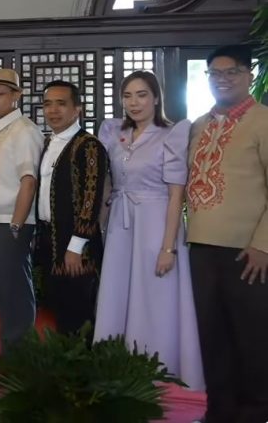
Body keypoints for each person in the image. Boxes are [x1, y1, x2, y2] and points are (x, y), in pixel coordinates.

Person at [93, 71, 202, 390]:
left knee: (155, 296)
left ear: (156, 97)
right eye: (128, 96)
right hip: (120, 224)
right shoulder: (114, 132)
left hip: (157, 223)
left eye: (142, 95)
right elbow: (107, 183)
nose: (134, 102)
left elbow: (176, 195)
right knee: (118, 293)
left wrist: (168, 247)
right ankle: (119, 366)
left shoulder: (172, 134)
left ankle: (159, 368)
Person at [186, 45, 268, 423]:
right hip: (201, 248)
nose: (222, 79)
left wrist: (263, 245)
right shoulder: (199, 124)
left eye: (231, 72)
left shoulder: (263, 120)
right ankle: (219, 411)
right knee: (212, 336)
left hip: (247, 251)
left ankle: (255, 413)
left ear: (249, 75)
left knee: (252, 337)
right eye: (215, 73)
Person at [36, 79, 109, 337]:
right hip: (51, 239)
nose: (53, 110)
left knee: (79, 313)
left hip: (77, 246)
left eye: (61, 104)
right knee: (58, 308)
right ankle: (64, 361)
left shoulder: (88, 146)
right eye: (48, 104)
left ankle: (83, 362)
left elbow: (91, 199)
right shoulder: (48, 143)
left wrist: (76, 247)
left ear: (77, 108)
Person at [0, 69, 44, 352]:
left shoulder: (25, 131)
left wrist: (16, 225)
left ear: (16, 95)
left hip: (11, 222)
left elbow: (29, 181)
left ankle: (20, 358)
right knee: (2, 292)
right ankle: (9, 353)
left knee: (15, 291)